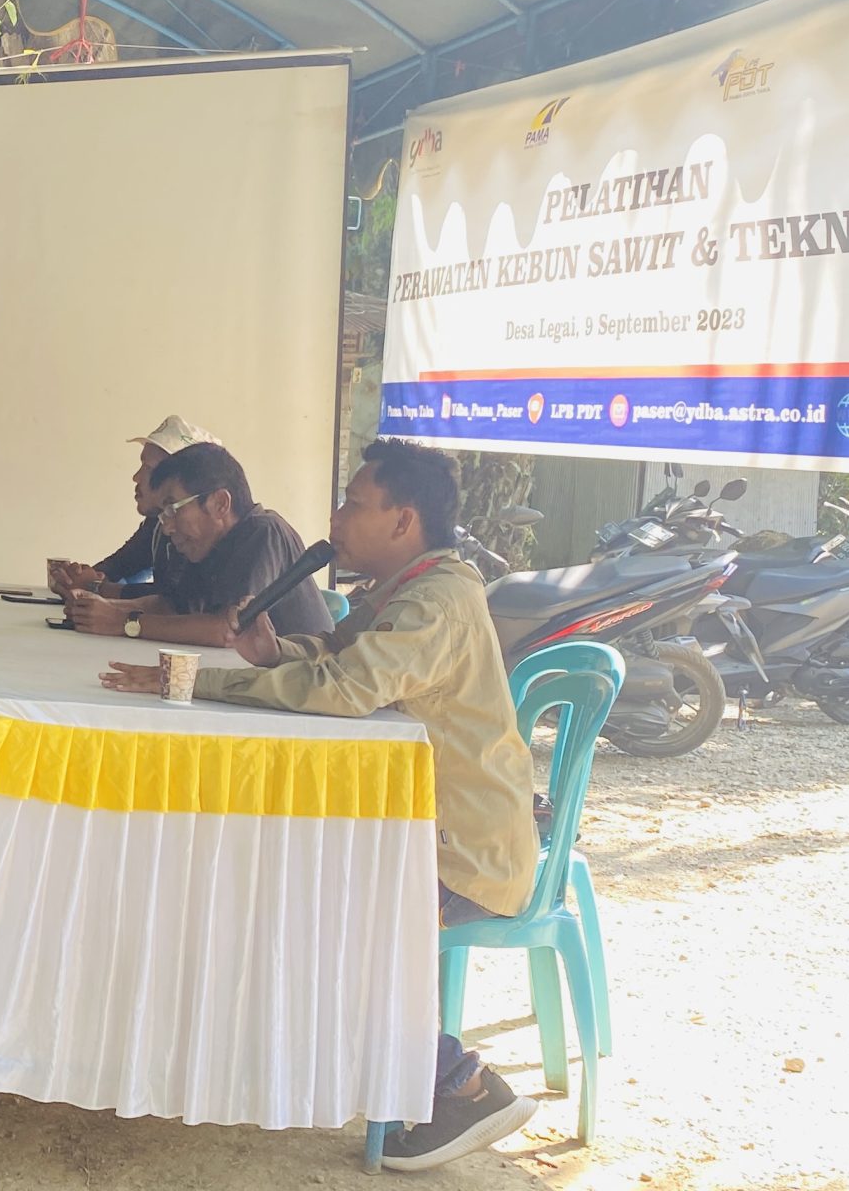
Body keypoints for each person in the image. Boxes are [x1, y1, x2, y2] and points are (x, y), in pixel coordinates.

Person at [101, 440, 540, 1171]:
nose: (335, 517)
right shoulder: (410, 588)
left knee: (320, 921)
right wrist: (275, 655)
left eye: (353, 504)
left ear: (403, 520)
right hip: (410, 833)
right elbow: (338, 655)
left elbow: (342, 689)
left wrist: (200, 683)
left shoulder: (436, 602)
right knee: (281, 890)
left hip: (458, 857)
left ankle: (462, 1087)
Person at [64, 441, 333, 646]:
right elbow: (173, 607)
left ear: (220, 503)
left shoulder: (262, 533)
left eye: (173, 509)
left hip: (301, 691)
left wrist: (124, 623)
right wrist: (96, 607)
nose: (167, 527)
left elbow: (228, 630)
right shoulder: (207, 544)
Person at [47, 415, 217, 599]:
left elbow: (176, 600)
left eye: (149, 469)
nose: (136, 477)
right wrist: (77, 578)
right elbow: (121, 564)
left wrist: (95, 587)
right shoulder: (156, 524)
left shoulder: (202, 536)